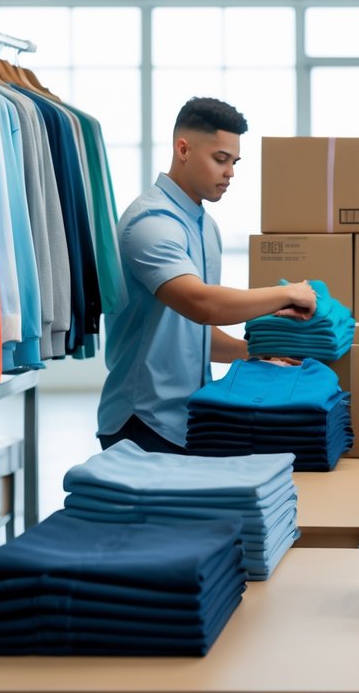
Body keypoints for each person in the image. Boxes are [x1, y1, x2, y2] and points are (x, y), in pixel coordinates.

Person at [97, 97, 317, 453]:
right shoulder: (150, 223)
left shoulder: (204, 226)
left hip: (189, 418)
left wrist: (254, 353)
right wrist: (287, 293)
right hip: (141, 423)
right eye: (220, 159)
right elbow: (201, 305)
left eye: (234, 162)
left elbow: (195, 333)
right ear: (183, 149)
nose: (230, 172)